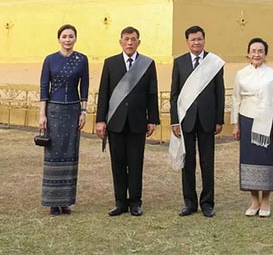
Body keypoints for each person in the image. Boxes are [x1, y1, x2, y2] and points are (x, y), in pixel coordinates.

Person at [94, 26, 160, 216]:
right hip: (115, 122)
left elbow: (152, 92)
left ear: (138, 42)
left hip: (138, 122)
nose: (130, 43)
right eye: (126, 39)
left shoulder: (147, 63)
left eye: (133, 39)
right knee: (118, 163)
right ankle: (120, 202)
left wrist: (153, 119)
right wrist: (100, 120)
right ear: (120, 41)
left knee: (136, 162)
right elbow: (104, 93)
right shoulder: (110, 63)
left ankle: (135, 202)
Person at [169, 25, 225, 218]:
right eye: (192, 39)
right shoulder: (179, 62)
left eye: (199, 39)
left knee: (207, 163)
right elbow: (174, 95)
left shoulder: (214, 63)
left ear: (204, 40)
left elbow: (220, 92)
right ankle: (190, 203)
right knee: (188, 164)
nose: (196, 42)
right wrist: (175, 121)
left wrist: (219, 119)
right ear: (187, 42)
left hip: (208, 121)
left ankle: (207, 203)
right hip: (186, 121)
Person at [231, 37, 273, 218]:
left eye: (260, 51)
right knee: (249, 160)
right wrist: (235, 124)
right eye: (253, 50)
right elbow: (236, 99)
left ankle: (266, 200)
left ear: (265, 54)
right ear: (248, 53)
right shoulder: (241, 74)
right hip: (246, 120)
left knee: (266, 160)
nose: (256, 54)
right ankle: (254, 200)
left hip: (267, 122)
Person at [38, 24, 89, 216]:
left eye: (71, 36)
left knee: (70, 154)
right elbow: (44, 87)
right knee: (53, 153)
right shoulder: (50, 60)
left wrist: (83, 111)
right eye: (64, 36)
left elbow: (84, 87)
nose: (67, 40)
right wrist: (42, 114)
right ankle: (53, 201)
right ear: (59, 39)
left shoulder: (81, 60)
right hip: (54, 110)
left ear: (75, 38)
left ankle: (66, 201)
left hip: (73, 110)